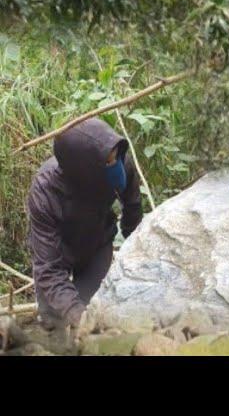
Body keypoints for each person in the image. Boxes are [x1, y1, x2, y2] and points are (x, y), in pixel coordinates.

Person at [27, 117, 143, 338]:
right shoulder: (45, 192)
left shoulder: (121, 164)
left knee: (93, 307)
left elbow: (133, 209)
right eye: (108, 162)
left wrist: (137, 252)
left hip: (97, 246)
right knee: (55, 323)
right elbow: (48, 269)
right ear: (85, 169)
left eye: (116, 157)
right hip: (57, 254)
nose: (116, 165)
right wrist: (77, 315)